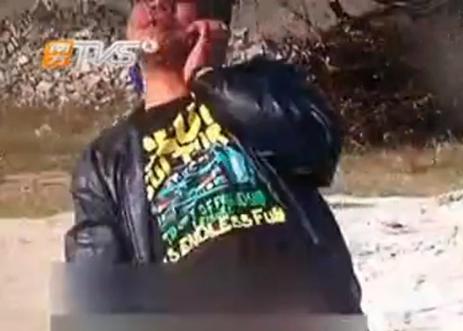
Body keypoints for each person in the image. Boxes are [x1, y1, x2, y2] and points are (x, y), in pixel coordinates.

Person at [64, 0, 362, 314]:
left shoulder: (264, 84)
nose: (156, 3)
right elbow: (97, 297)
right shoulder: (105, 161)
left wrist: (207, 77)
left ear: (210, 19)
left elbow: (318, 148)